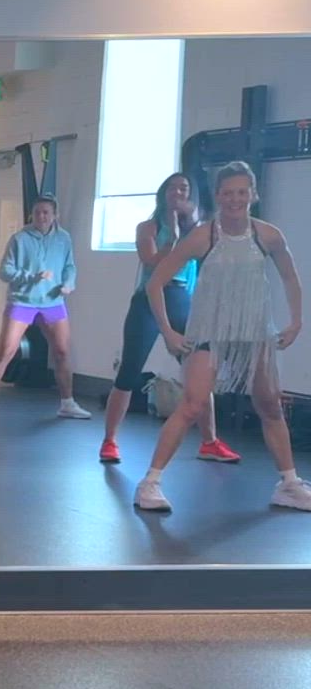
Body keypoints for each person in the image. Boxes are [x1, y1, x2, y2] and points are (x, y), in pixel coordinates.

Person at [135, 162, 307, 512]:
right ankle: (150, 483)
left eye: (242, 192)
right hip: (209, 333)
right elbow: (155, 283)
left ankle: (289, 484)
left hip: (253, 333)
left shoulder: (268, 235)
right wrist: (168, 331)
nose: (235, 199)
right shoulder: (203, 237)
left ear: (252, 195)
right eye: (228, 193)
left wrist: (295, 321)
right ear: (217, 196)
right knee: (193, 404)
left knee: (270, 406)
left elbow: (291, 277)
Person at [101, 173, 239, 465]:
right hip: (148, 300)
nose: (178, 192)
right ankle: (110, 441)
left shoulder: (200, 230)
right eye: (173, 187)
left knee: (199, 372)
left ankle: (210, 442)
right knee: (129, 370)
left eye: (184, 188)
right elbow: (151, 262)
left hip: (181, 300)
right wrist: (173, 239)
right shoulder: (148, 227)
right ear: (164, 193)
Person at [0, 197, 90, 421]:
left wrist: (68, 284)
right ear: (31, 215)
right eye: (37, 212)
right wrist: (31, 277)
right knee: (4, 351)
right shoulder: (19, 239)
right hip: (23, 301)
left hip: (52, 302)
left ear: (55, 215)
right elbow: (5, 271)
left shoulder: (63, 238)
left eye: (46, 212)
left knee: (62, 351)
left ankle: (68, 403)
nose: (41, 216)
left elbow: (69, 266)